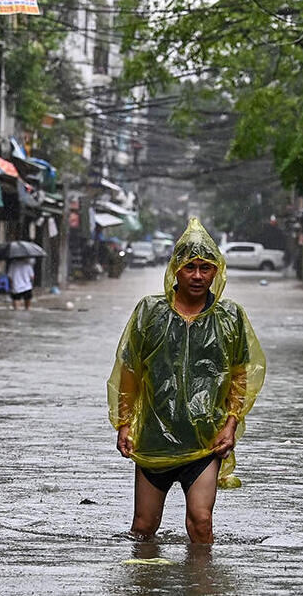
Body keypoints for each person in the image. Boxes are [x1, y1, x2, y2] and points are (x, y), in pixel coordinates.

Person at [107, 218, 266, 545]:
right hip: (154, 437)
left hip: (205, 440)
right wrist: (124, 424)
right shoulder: (149, 312)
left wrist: (231, 424)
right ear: (175, 270)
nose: (197, 276)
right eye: (190, 267)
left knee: (201, 522)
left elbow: (241, 375)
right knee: (143, 527)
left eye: (205, 268)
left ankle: (202, 582)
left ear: (216, 272)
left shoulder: (230, 317)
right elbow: (129, 370)